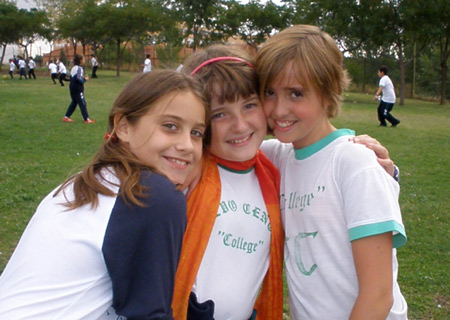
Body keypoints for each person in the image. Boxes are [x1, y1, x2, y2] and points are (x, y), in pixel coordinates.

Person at [0, 70, 209, 319]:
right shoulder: (152, 195)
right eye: (170, 126)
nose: (187, 145)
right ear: (123, 127)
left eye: (196, 133)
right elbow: (148, 314)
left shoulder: (83, 183)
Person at [256, 25, 407, 319]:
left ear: (330, 93)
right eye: (269, 92)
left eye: (296, 94)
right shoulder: (277, 155)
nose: (278, 109)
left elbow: (378, 295)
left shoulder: (354, 163)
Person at [173, 45, 284, 319]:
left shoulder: (273, 168)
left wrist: (358, 152)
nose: (240, 125)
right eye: (220, 114)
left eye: (249, 105)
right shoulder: (185, 171)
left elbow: (322, 158)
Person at [63, 54, 95, 123]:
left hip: (72, 88)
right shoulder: (79, 68)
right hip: (78, 89)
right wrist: (85, 79)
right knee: (82, 103)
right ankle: (87, 119)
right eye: (83, 59)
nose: (84, 60)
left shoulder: (74, 67)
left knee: (74, 102)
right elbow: (79, 78)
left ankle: (66, 117)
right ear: (80, 60)